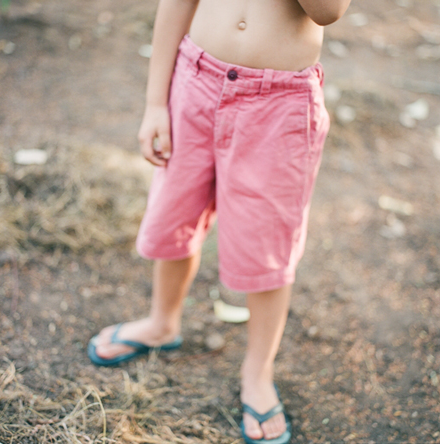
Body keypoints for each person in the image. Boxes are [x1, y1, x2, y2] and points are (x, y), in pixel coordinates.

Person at [88, 0, 350, 442]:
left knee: (266, 242)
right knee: (176, 211)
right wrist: (156, 102)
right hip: (195, 79)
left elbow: (326, 11)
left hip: (279, 103)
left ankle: (257, 372)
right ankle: (162, 322)